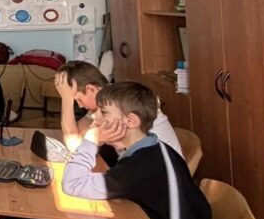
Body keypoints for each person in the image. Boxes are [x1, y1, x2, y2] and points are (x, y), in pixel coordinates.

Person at [62, 81, 211, 219]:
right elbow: (203, 214)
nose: (96, 119)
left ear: (131, 121)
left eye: (104, 113)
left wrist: (91, 141)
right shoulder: (160, 149)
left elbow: (73, 184)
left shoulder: (140, 166)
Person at [54, 60, 183, 157]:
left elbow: (74, 147)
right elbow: (76, 133)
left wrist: (66, 99)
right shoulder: (110, 98)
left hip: (160, 174)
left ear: (91, 89)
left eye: (78, 100)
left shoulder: (115, 107)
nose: (80, 105)